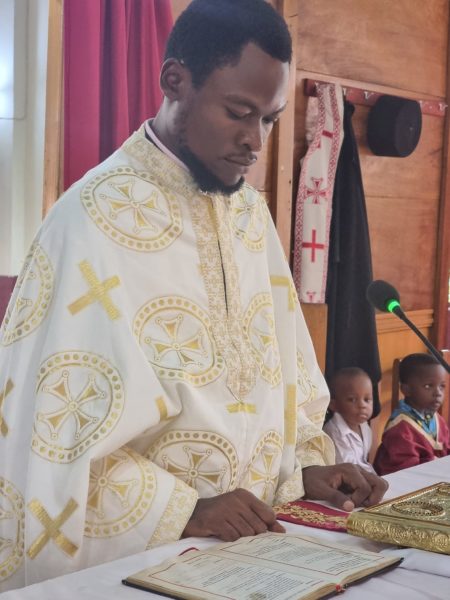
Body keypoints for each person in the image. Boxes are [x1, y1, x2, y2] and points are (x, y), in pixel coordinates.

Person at [0, 0, 387, 590]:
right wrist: (186, 509)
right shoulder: (89, 221)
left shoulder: (251, 217)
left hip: (260, 551)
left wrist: (306, 469)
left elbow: (279, 386)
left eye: (270, 120)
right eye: (239, 112)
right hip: (144, 561)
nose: (254, 142)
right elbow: (49, 436)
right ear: (175, 81)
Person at [374, 353, 449, 475]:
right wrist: (438, 464)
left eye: (442, 386)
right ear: (406, 390)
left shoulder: (437, 419)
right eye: (428, 386)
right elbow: (407, 470)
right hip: (405, 482)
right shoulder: (400, 428)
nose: (438, 393)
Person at [323, 367, 376, 473]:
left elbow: (363, 462)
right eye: (352, 400)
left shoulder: (364, 426)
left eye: (367, 399)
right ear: (333, 404)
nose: (362, 405)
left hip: (364, 475)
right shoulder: (333, 433)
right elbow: (347, 470)